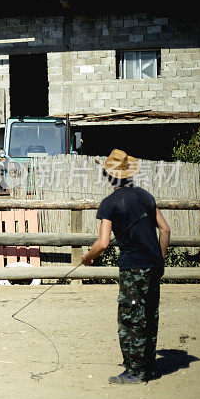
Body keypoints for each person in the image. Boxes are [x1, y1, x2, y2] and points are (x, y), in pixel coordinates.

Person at [81, 149, 171, 384]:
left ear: (108, 176)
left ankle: (134, 371)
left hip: (132, 267)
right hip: (153, 265)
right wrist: (159, 261)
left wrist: (88, 258)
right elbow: (165, 230)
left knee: (130, 318)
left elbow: (102, 243)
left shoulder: (110, 203)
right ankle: (148, 367)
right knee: (150, 315)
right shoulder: (146, 197)